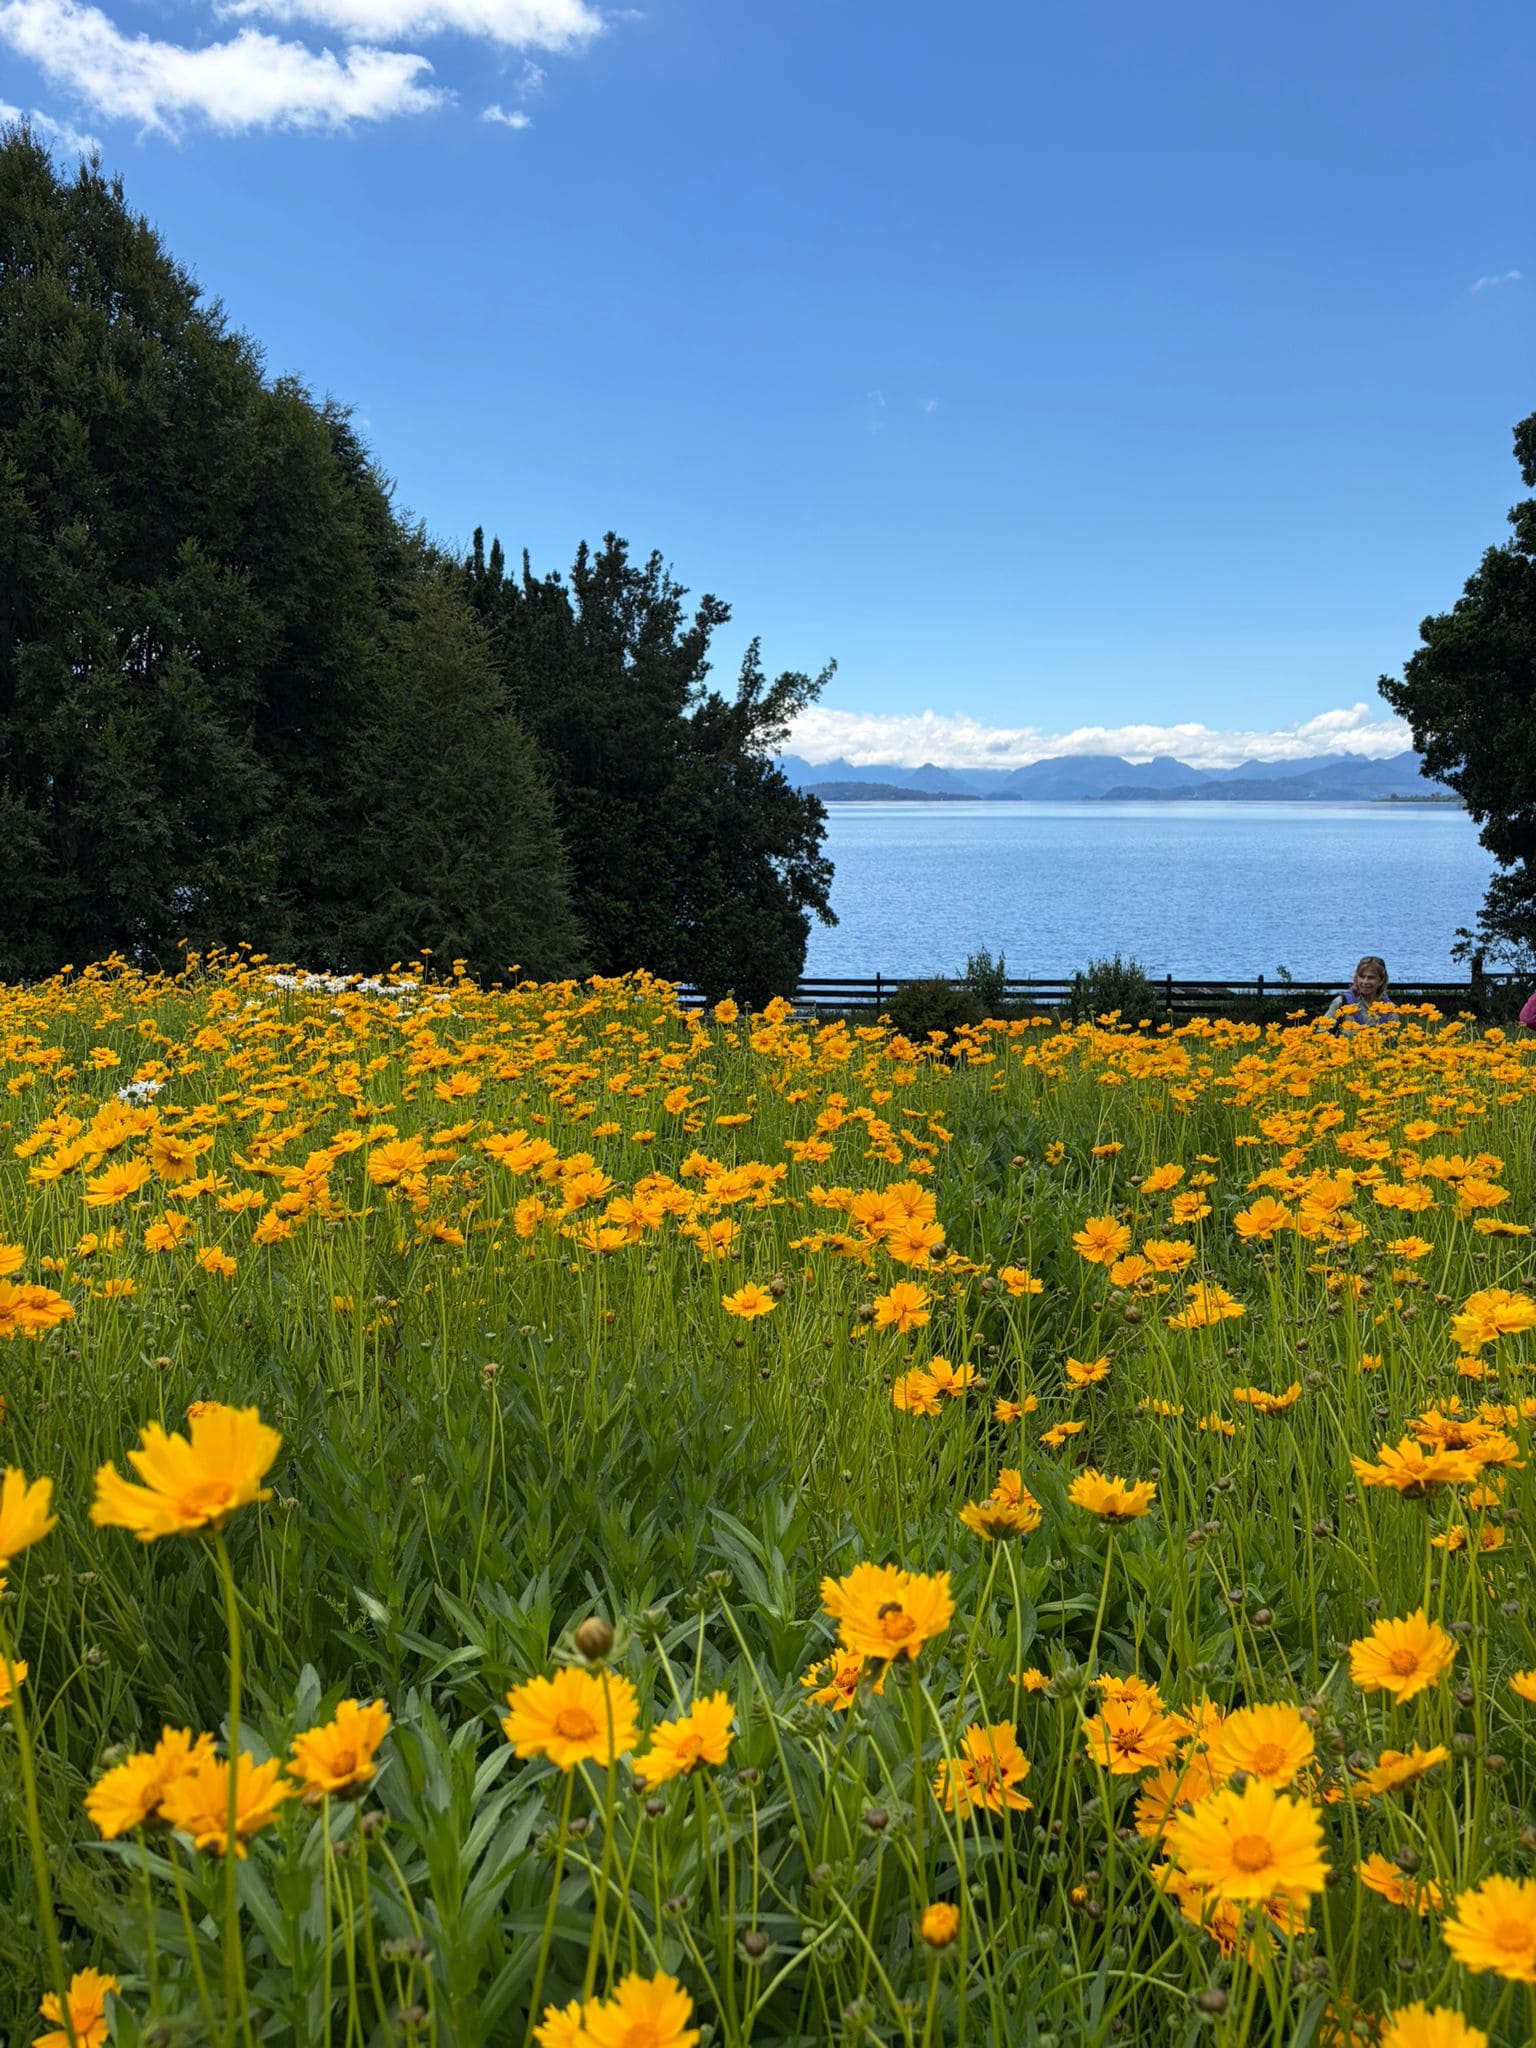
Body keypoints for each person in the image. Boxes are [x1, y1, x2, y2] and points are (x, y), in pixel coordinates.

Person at [1324, 955, 1396, 1030]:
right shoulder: (1342, 1003)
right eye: (1361, 977)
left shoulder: (1390, 1010)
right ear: (1356, 978)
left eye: (1371, 978)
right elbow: (1322, 1032)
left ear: (1381, 981)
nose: (1364, 982)